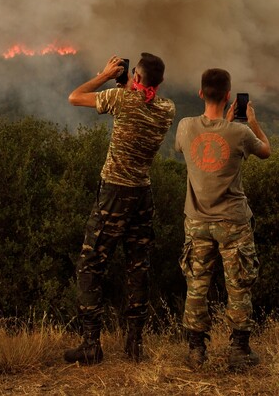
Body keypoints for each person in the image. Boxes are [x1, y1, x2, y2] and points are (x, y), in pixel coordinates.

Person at [64, 53, 175, 365]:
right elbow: (144, 96)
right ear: (160, 82)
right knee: (138, 267)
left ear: (136, 79)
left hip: (114, 192)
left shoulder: (120, 100)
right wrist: (130, 81)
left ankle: (90, 345)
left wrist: (103, 75)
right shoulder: (167, 109)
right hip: (143, 194)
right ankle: (134, 345)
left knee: (90, 266)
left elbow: (75, 97)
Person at [174, 69, 271, 370]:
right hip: (233, 222)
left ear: (201, 93)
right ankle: (239, 352)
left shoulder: (186, 127)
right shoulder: (241, 133)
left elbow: (197, 148)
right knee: (239, 286)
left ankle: (195, 351)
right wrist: (252, 122)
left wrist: (222, 126)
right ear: (229, 96)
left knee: (196, 286)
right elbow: (266, 152)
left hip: (197, 220)